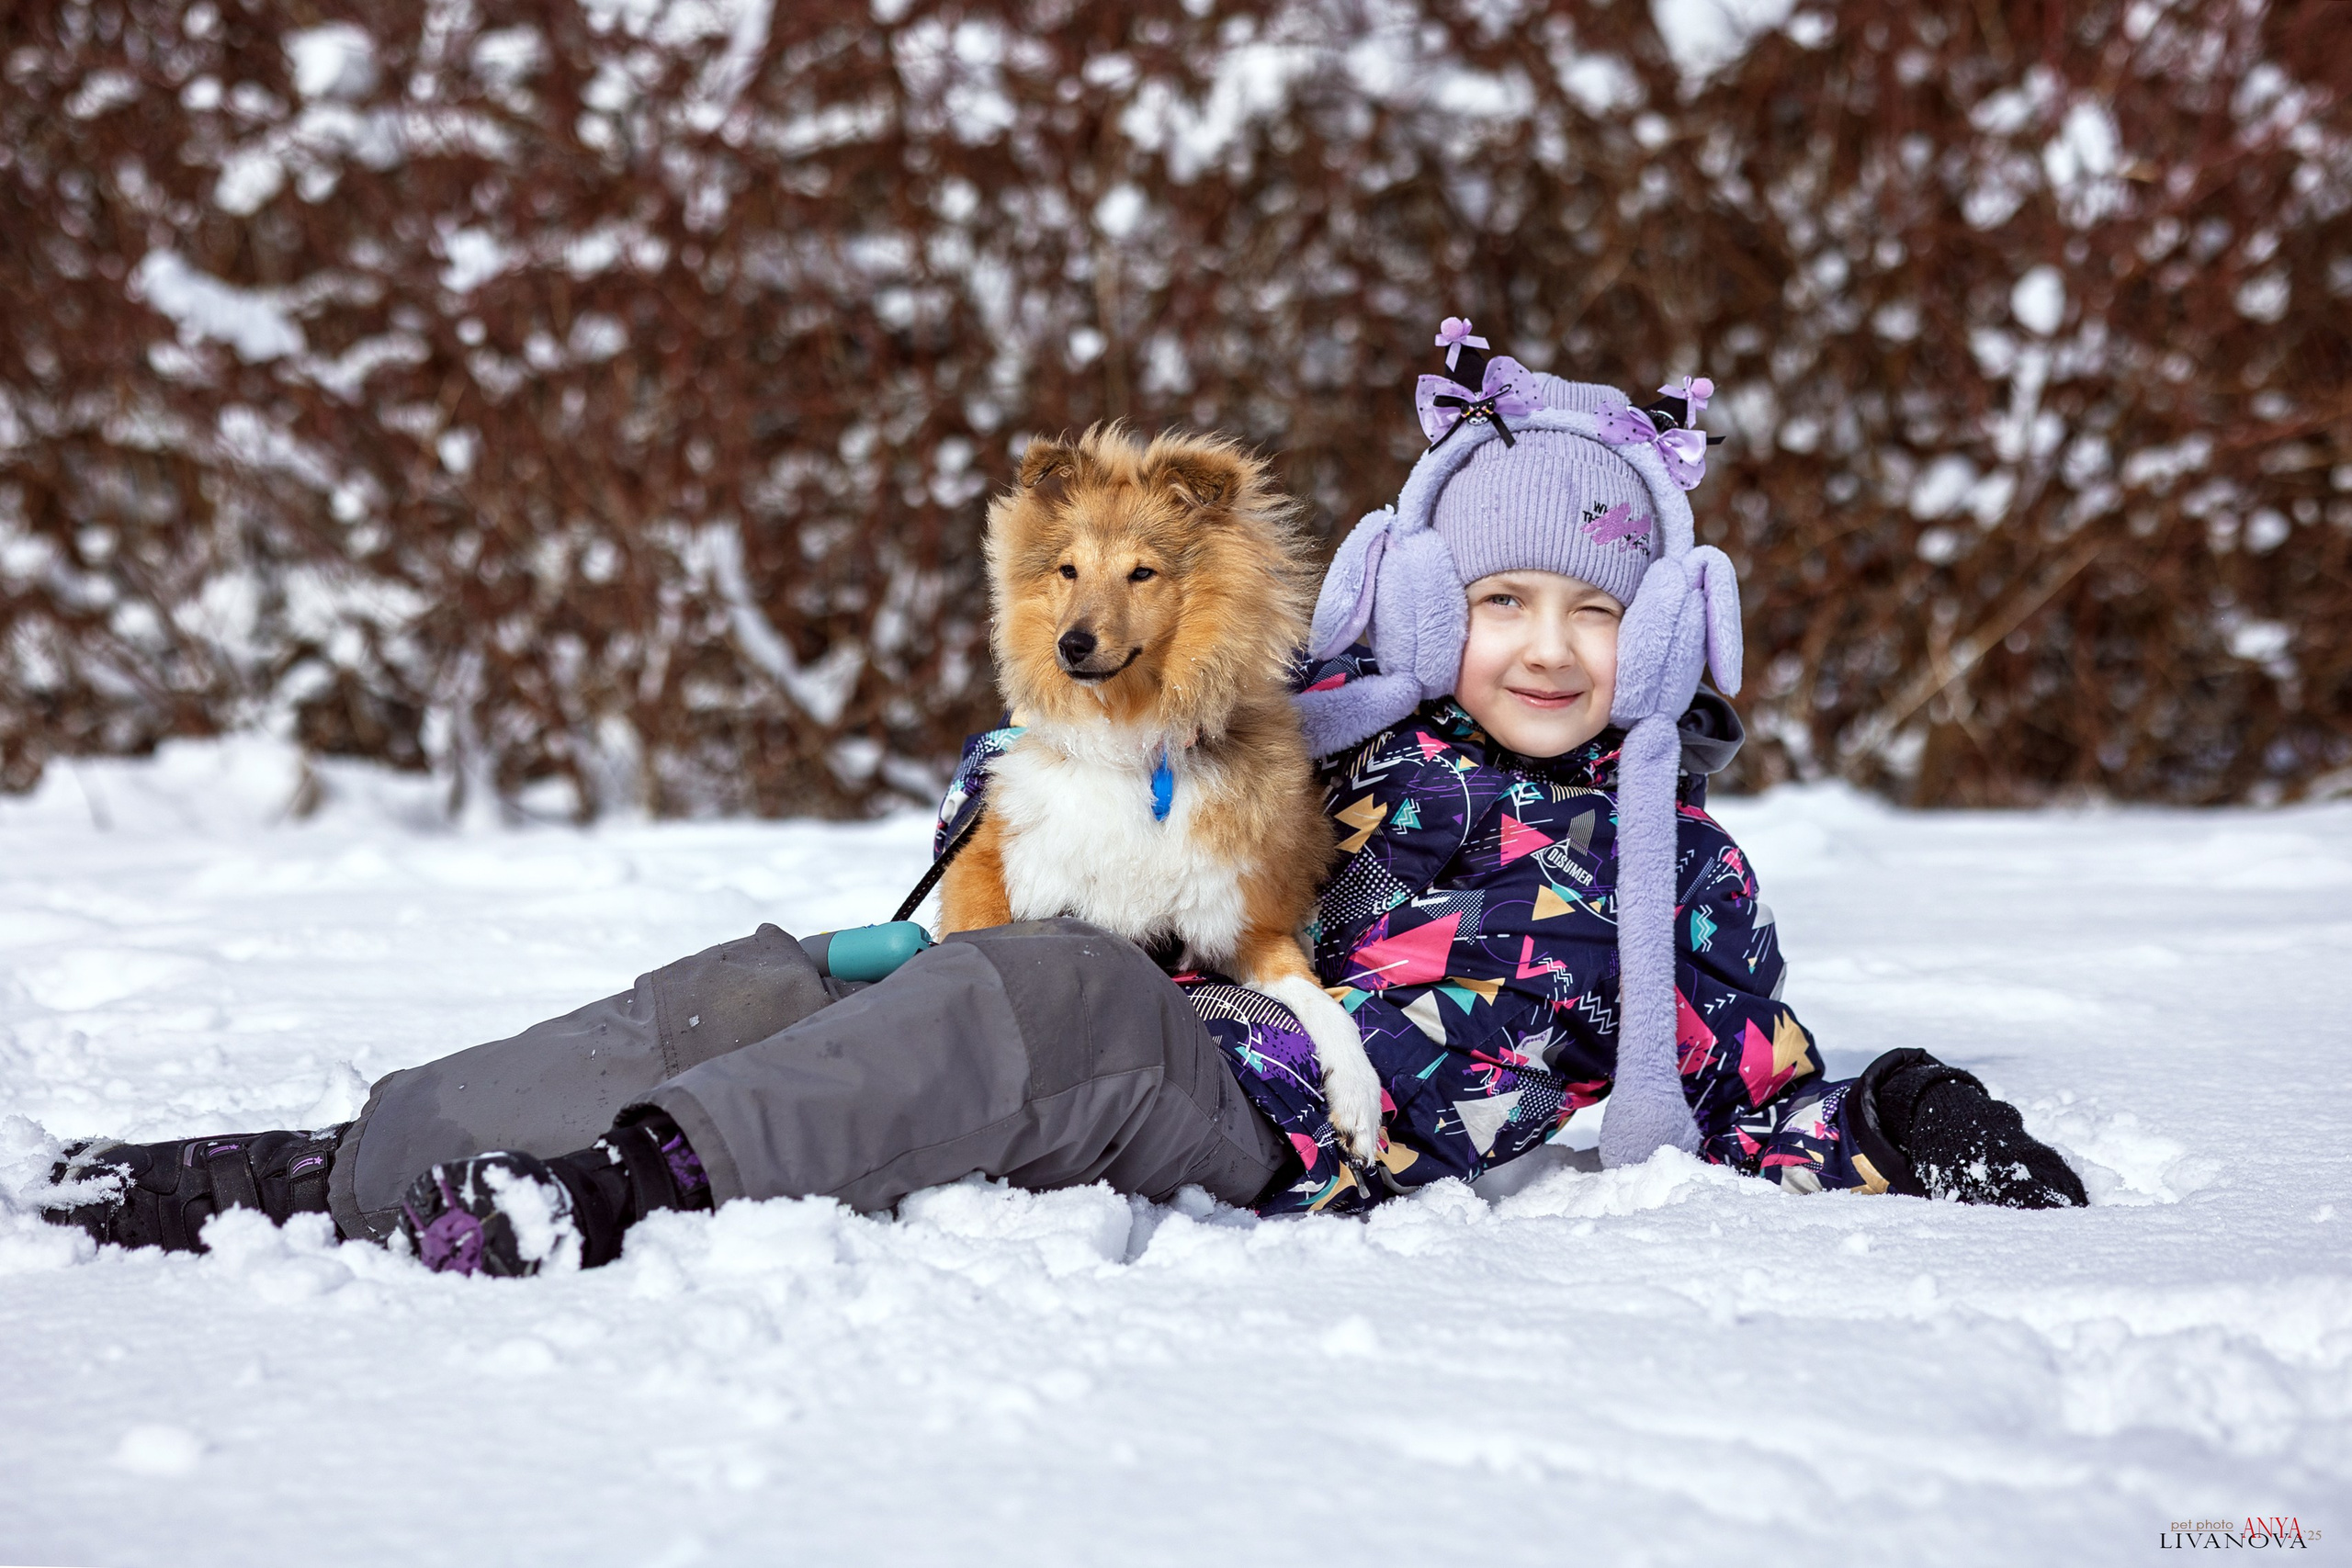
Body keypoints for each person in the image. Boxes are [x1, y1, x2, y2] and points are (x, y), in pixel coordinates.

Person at [36, 322, 2082, 1275]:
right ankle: (347, 1162)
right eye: (1501, 601)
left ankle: (615, 1192)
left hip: (1272, 1120)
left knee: (1055, 1010)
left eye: (1590, 611)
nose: (1542, 646)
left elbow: (1748, 1074)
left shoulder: (1670, 869)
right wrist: (1038, 777)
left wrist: (1894, 1107)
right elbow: (1079, 778)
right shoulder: (1325, 737)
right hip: (1087, 1004)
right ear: (1426, 607)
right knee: (786, 980)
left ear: (1655, 639)